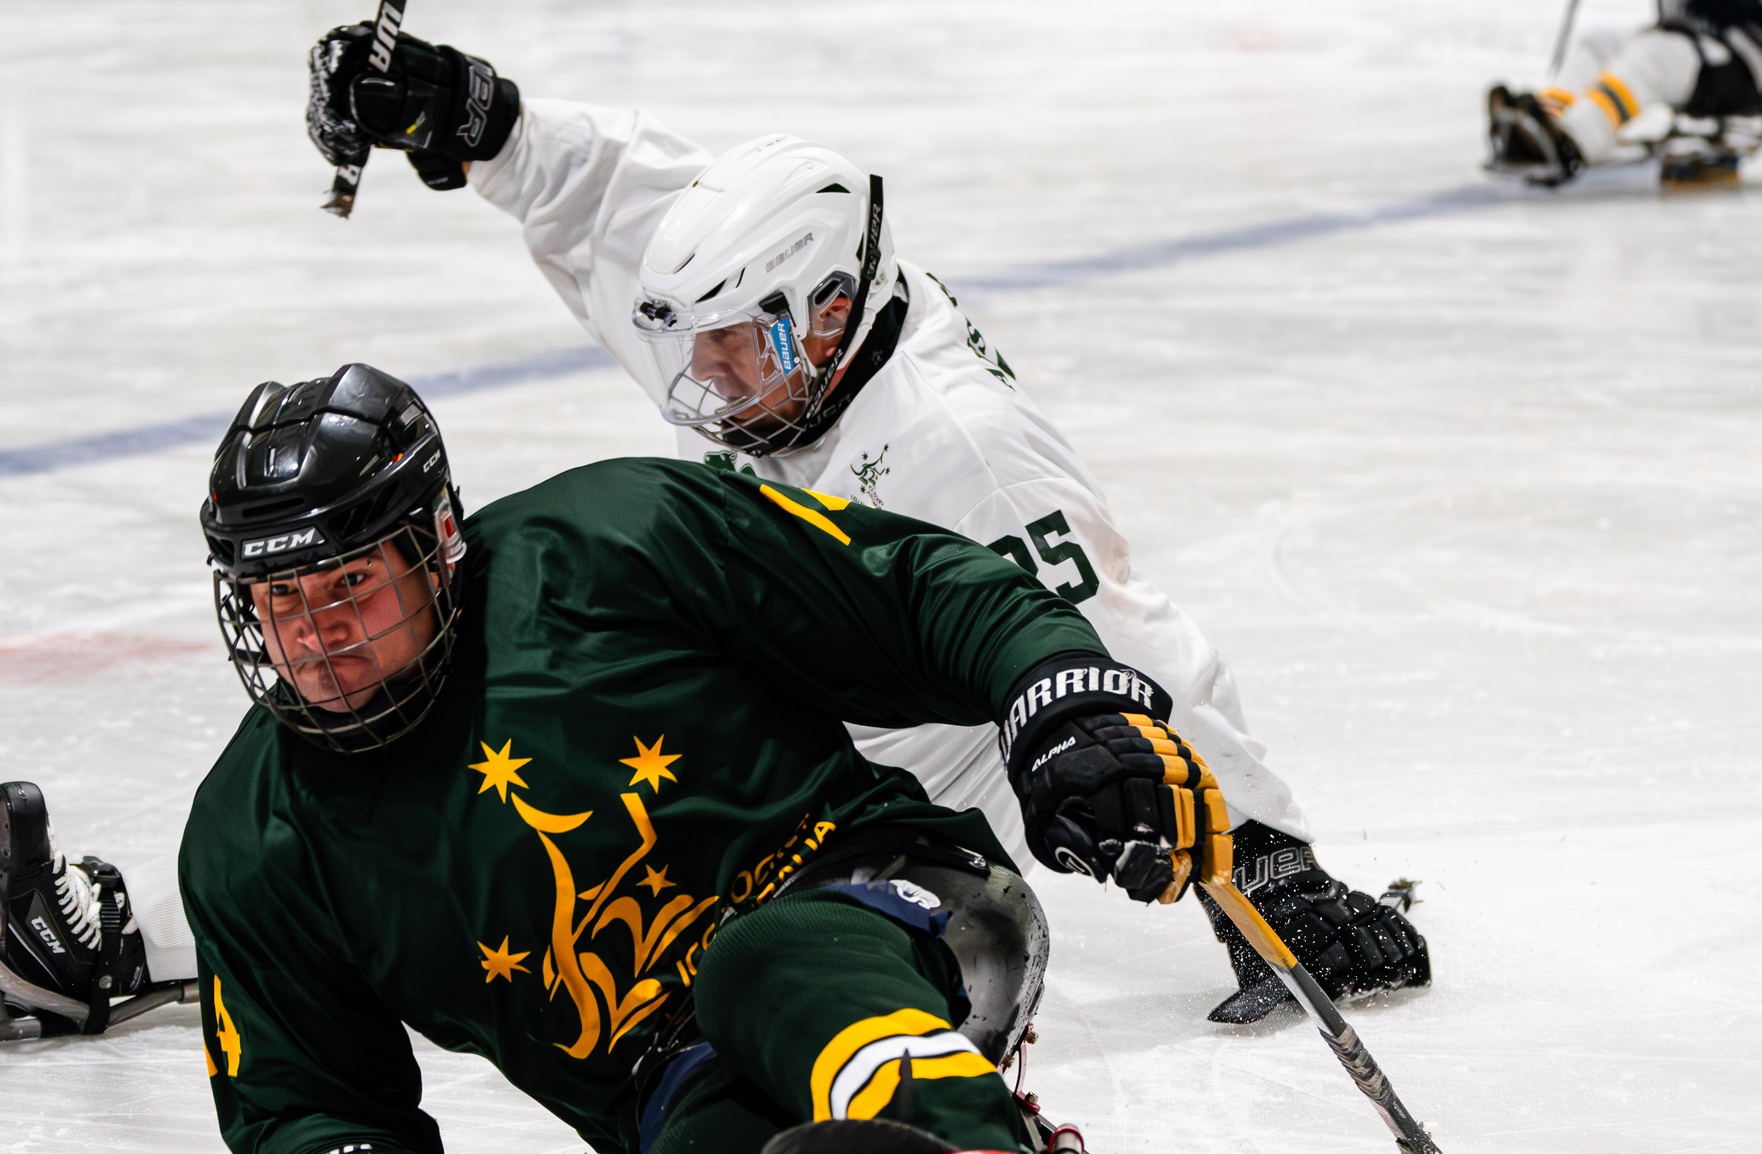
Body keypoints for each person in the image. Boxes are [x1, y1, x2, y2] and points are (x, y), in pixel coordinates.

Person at [300, 24, 1430, 1025]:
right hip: (779, 668)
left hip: (892, 772)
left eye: (727, 344)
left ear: (829, 313)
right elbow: (610, 192)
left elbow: (1118, 643)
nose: (695, 373)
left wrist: (1270, 863)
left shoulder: (955, 445)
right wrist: (475, 115)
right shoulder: (768, 313)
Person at [176, 362, 1219, 1154]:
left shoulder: (604, 541)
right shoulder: (252, 834)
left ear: (436, 542)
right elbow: (300, 1091)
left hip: (882, 909)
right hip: (675, 1078)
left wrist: (1059, 699)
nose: (316, 638)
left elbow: (905, 590)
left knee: (756, 964)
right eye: (280, 602)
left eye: (348, 584)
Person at [1489, 0, 1762, 186]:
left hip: (1747, 62)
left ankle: (1574, 141)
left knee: (1654, 56)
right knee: (1599, 44)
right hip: (1696, 42)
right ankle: (1543, 122)